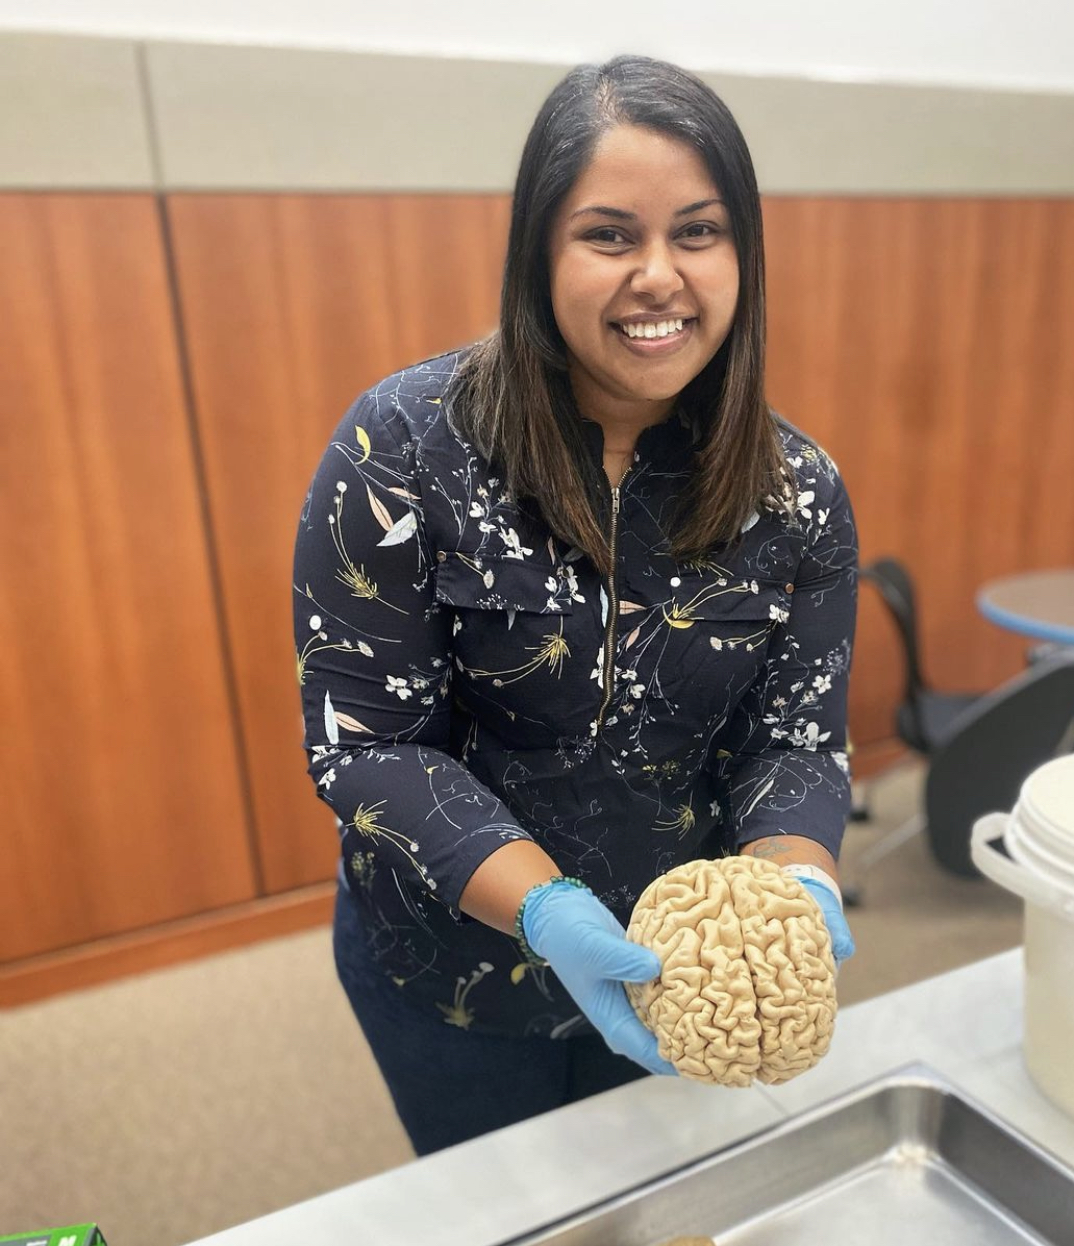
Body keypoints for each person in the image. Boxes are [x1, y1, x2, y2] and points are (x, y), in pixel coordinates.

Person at [293, 55, 857, 1156]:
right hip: (452, 971)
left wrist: (798, 883)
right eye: (610, 235)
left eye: (698, 232)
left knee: (645, 1221)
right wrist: (547, 911)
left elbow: (793, 738)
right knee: (499, 1231)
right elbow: (369, 748)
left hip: (671, 969)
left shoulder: (799, 491)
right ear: (540, 253)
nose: (661, 275)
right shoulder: (400, 449)